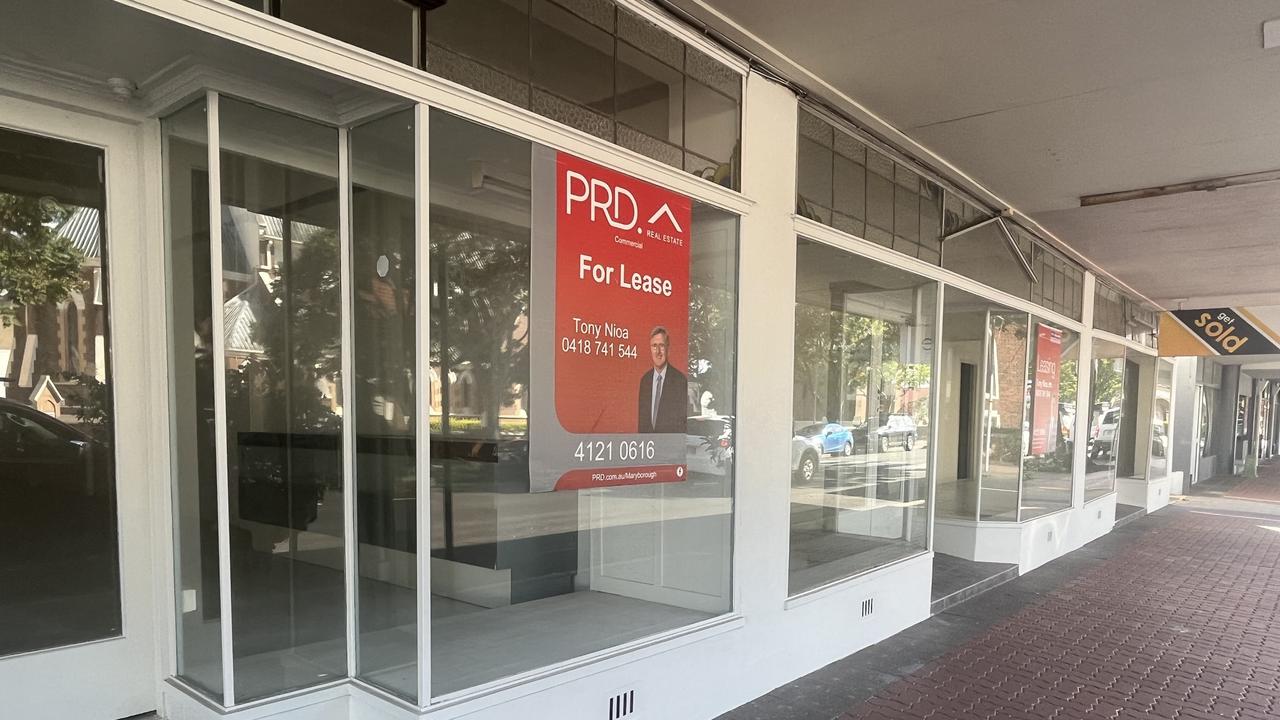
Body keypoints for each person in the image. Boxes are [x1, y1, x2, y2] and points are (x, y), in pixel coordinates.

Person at [638, 325, 687, 434]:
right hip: (649, 448)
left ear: (668, 349)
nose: (658, 351)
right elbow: (642, 425)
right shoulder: (645, 381)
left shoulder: (680, 381)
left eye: (662, 346)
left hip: (669, 448)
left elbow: (682, 425)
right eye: (654, 346)